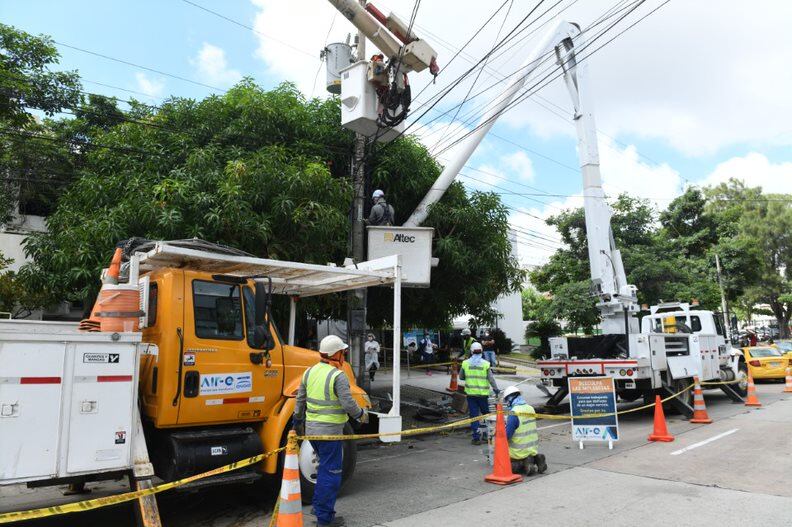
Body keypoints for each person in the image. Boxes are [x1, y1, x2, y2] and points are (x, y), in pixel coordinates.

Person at [293, 335, 368, 527]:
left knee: (324, 469)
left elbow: (300, 399)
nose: (344, 356)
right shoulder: (338, 376)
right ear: (336, 354)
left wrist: (297, 421)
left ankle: (320, 507)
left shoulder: (309, 372)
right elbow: (348, 403)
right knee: (332, 474)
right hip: (330, 433)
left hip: (312, 433)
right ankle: (324, 519)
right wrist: (361, 414)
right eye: (343, 353)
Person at [459, 342, 499, 445]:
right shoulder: (485, 364)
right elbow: (491, 379)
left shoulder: (465, 363)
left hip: (471, 395)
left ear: (471, 351)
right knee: (486, 415)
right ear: (481, 351)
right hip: (483, 395)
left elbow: (461, 377)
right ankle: (486, 435)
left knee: (474, 416)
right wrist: (496, 389)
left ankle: (476, 438)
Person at [502, 385, 547, 476]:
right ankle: (536, 459)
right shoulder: (530, 408)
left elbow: (507, 435)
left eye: (506, 400)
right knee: (527, 455)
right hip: (532, 449)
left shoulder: (513, 412)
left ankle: (524, 464)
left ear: (510, 399)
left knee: (507, 466)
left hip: (518, 452)